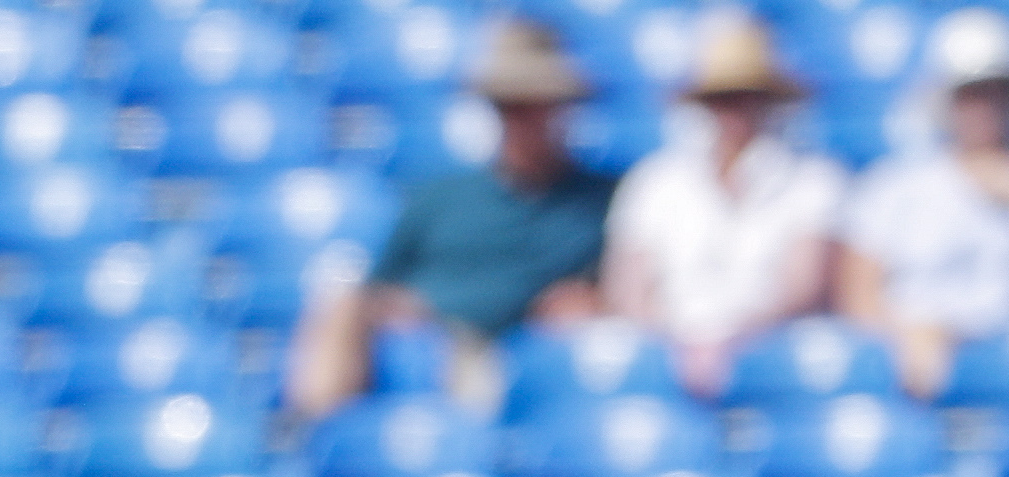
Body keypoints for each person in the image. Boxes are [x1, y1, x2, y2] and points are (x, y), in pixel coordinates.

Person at [288, 19, 620, 419]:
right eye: (509, 105)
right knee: (340, 300)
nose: (521, 120)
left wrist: (591, 299)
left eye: (535, 105)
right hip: (430, 335)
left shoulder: (598, 202)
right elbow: (381, 284)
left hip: (508, 347)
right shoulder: (441, 197)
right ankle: (312, 433)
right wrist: (399, 310)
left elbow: (617, 284)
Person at [838, 11, 1009, 396]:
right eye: (971, 93)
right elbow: (857, 298)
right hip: (914, 374)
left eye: (996, 91)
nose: (985, 106)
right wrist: (910, 335)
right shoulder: (893, 188)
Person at [602, 13, 847, 397]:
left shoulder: (812, 181)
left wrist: (729, 342)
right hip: (669, 355)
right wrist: (680, 344)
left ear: (769, 101)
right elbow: (628, 290)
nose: (734, 110)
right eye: (722, 97)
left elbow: (802, 287)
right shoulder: (655, 182)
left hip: (775, 358)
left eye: (747, 96)